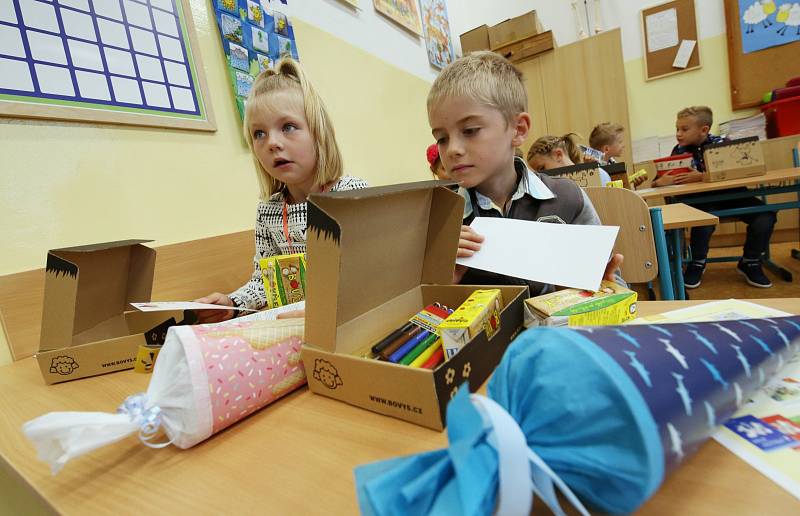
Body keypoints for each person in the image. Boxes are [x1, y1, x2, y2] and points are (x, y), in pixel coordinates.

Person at [427, 51, 624, 297]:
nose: (452, 150)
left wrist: (600, 288)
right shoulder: (440, 220)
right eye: (442, 139)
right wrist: (442, 283)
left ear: (518, 130)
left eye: (470, 130)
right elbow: (425, 311)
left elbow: (613, 287)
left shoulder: (568, 198)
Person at [195, 59, 368, 322]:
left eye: (288, 127)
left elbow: (373, 274)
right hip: (290, 328)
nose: (272, 143)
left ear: (319, 133)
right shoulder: (268, 211)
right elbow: (263, 283)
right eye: (259, 134)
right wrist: (232, 303)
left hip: (347, 321)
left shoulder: (353, 195)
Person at [652, 105, 776, 289]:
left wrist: (702, 177)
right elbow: (658, 181)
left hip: (734, 196)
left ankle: (750, 261)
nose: (679, 134)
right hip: (701, 202)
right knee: (702, 221)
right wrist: (662, 181)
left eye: (684, 129)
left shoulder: (723, 144)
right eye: (677, 129)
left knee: (765, 217)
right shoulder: (678, 151)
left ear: (704, 129)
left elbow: (740, 170)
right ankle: (698, 262)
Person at [526, 134, 612, 186]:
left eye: (542, 168)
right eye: (537, 173)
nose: (540, 176)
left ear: (558, 155)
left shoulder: (599, 175)